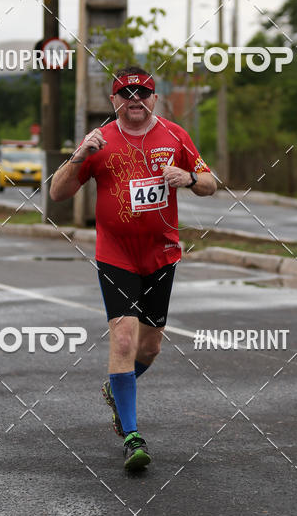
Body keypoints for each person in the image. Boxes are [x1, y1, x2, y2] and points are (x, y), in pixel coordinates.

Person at [50, 66, 217, 470]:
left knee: (150, 346)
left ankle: (115, 389)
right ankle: (132, 435)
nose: (134, 100)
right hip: (116, 254)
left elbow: (212, 183)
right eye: (126, 94)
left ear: (154, 98)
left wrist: (190, 177)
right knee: (123, 340)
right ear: (114, 102)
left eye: (142, 93)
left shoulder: (175, 135)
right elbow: (57, 193)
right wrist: (78, 157)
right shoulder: (99, 141)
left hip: (161, 254)